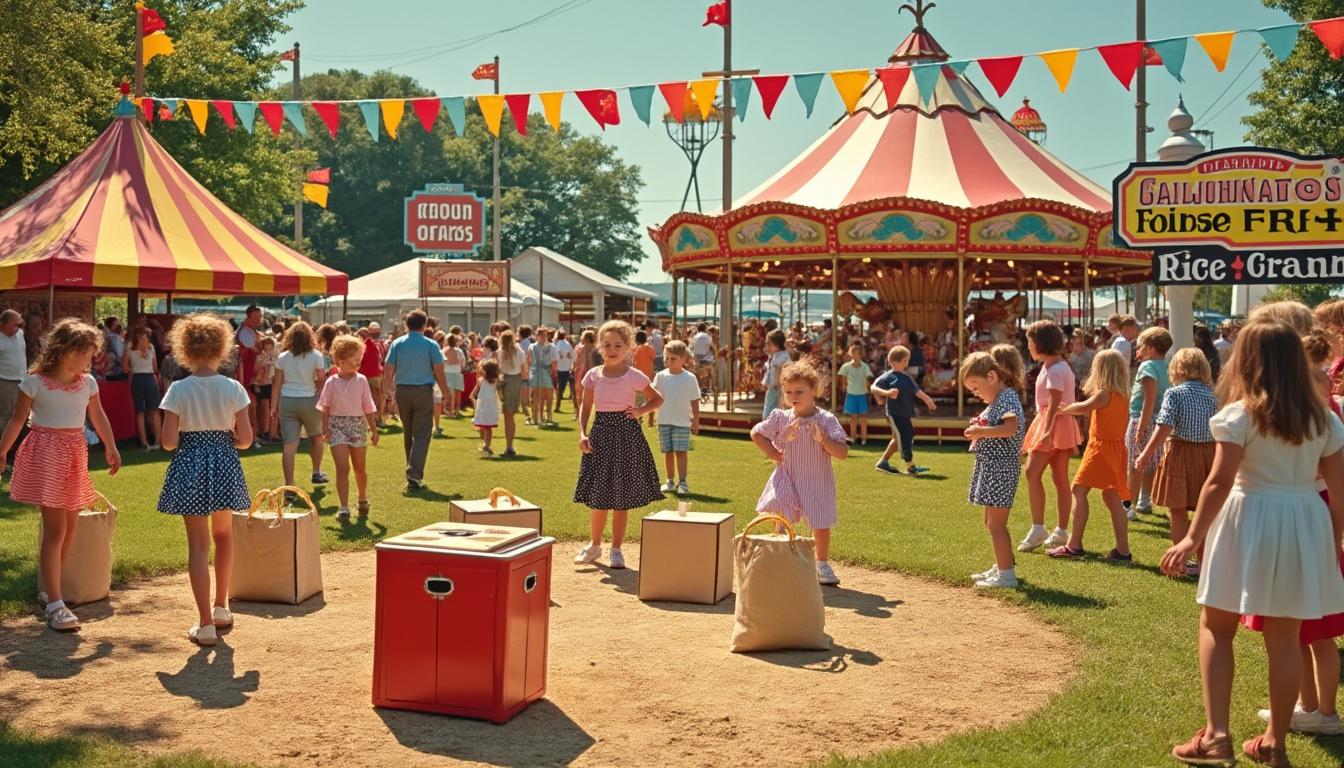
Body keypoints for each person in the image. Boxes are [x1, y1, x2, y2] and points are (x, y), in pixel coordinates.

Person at [1162, 320, 1344, 768]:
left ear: (1247, 360)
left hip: (1247, 517)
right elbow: (1340, 494)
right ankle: (1275, 744)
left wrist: (1190, 537)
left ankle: (1217, 736)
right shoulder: (1325, 418)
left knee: (1216, 627)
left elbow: (1218, 483)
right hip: (1304, 518)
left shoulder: (1239, 415)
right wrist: (1333, 545)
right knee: (1285, 640)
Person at [0, 319, 120, 632]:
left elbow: (99, 416)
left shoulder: (88, 383)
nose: (90, 361)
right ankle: (55, 602)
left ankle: (51, 591)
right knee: (56, 530)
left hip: (74, 456)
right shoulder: (35, 382)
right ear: (66, 351)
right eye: (87, 354)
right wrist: (2, 451)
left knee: (69, 527)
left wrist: (110, 445)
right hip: (47, 456)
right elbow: (17, 420)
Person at [153, 314, 251, 647]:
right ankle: (221, 607)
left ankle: (205, 623)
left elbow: (168, 443)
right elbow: (247, 439)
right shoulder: (233, 387)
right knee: (223, 536)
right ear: (222, 347)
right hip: (224, 462)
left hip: (190, 464)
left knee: (198, 545)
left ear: (184, 349)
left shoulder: (178, 389)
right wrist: (224, 440)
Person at [573, 320, 665, 570]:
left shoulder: (634, 375)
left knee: (620, 498)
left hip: (627, 435)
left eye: (617, 345)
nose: (612, 349)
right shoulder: (593, 375)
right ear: (599, 348)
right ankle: (594, 546)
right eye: (606, 345)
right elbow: (586, 407)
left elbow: (657, 399)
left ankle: (616, 550)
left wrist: (640, 411)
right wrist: (582, 433)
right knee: (598, 497)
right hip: (600, 435)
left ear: (628, 347)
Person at [750, 360, 850, 585]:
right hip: (788, 477)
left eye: (800, 391)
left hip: (816, 480)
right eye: (788, 392)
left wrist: (823, 440)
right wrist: (774, 454)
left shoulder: (825, 420)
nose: (793, 396)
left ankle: (822, 564)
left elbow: (842, 452)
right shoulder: (781, 417)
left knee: (820, 522)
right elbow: (756, 433)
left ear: (814, 391)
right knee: (781, 514)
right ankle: (780, 556)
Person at [1135, 348, 1218, 577]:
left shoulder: (1175, 394)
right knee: (1205, 511)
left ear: (1177, 368)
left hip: (1180, 452)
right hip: (1209, 455)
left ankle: (1179, 563)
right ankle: (1203, 564)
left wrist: (1146, 453)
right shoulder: (1214, 395)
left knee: (1178, 509)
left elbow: (1164, 426)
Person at [1048, 349, 1132, 560]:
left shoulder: (1104, 393)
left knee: (1078, 489)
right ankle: (1123, 550)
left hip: (1101, 448)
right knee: (1112, 496)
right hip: (1116, 449)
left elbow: (1085, 407)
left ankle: (1074, 545)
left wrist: (1063, 409)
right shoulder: (1123, 395)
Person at [963, 346, 1027, 589]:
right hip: (993, 468)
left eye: (976, 387)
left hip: (1001, 468)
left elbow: (1010, 428)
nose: (976, 394)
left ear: (991, 377)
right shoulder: (1001, 398)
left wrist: (981, 431)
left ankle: (1006, 575)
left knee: (996, 524)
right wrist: (980, 425)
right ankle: (1002, 565)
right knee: (991, 523)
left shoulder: (1007, 398)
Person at [1017, 321, 1082, 552]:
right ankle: (1061, 530)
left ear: (1040, 343)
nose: (1029, 346)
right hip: (1061, 423)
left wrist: (1045, 432)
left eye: (1030, 342)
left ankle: (1038, 528)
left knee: (1032, 472)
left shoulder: (1054, 369)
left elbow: (1054, 402)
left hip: (1052, 422)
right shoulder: (1056, 366)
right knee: (1059, 477)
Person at [382, 310, 449, 491]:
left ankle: (412, 471)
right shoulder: (431, 344)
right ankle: (414, 473)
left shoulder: (397, 343)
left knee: (408, 432)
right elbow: (439, 371)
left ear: (406, 325)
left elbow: (388, 370)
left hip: (403, 391)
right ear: (425, 325)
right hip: (423, 391)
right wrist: (446, 393)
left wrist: (385, 392)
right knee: (421, 434)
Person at [318, 335, 379, 522]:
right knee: (342, 467)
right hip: (337, 426)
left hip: (357, 425)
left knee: (359, 468)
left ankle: (362, 498)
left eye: (359, 362)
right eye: (354, 362)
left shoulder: (361, 381)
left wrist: (374, 430)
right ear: (340, 361)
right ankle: (344, 507)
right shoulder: (331, 382)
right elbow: (325, 407)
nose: (357, 366)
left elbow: (368, 407)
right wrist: (325, 428)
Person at [271, 322, 329, 492]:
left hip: (287, 401)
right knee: (317, 438)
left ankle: (289, 483)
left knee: (289, 444)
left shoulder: (283, 357)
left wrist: (273, 407)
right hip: (309, 399)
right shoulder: (316, 355)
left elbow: (277, 384)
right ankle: (316, 472)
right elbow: (321, 380)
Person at [1126, 327, 1173, 518]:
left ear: (1151, 347)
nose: (1137, 350)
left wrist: (1141, 426)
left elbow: (1149, 399)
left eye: (1140, 346)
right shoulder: (1167, 365)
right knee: (1149, 463)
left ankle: (1128, 505)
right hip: (1158, 420)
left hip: (1142, 418)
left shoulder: (1147, 367)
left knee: (1134, 464)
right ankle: (1144, 500)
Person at [871, 345, 937, 476]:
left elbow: (917, 391)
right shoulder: (888, 377)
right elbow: (873, 388)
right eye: (905, 361)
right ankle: (910, 465)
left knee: (900, 438)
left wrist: (928, 400)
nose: (907, 363)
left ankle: (883, 462)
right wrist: (887, 393)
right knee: (906, 435)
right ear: (894, 362)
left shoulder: (906, 377)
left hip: (905, 412)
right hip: (895, 413)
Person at [652, 340, 701, 495]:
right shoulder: (660, 376)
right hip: (664, 421)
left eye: (673, 359)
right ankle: (670, 481)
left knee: (681, 452)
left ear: (683, 359)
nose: (668, 362)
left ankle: (683, 482)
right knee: (667, 452)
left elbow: (694, 400)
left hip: (682, 422)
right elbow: (654, 397)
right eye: (666, 358)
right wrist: (651, 416)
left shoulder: (690, 378)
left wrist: (695, 419)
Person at [123, 326, 163, 450]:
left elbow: (155, 367)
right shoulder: (130, 348)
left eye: (146, 336)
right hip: (138, 378)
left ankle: (158, 440)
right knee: (140, 411)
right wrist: (134, 371)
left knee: (155, 410)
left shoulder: (151, 347)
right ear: (137, 337)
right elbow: (124, 367)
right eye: (142, 336)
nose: (144, 338)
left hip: (150, 378)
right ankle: (144, 442)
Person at [0, 310, 26, 460]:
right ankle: (5, 453)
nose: (17, 327)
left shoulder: (20, 334)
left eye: (19, 323)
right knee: (7, 416)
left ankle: (19, 450)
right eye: (14, 324)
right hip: (6, 383)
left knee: (22, 415)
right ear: (4, 324)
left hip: (23, 381)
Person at [836, 344, 872, 445]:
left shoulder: (864, 366)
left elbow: (868, 377)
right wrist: (844, 385)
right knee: (853, 418)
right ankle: (853, 438)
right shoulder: (846, 366)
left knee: (863, 418)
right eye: (855, 353)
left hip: (862, 394)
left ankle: (864, 439)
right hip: (851, 394)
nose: (858, 355)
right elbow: (841, 375)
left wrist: (869, 388)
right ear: (852, 354)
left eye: (859, 354)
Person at [237, 305, 263, 438]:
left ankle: (254, 434)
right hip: (244, 375)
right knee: (250, 403)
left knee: (253, 403)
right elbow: (254, 350)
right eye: (256, 317)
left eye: (260, 317)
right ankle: (250, 435)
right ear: (248, 317)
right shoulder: (245, 332)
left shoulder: (251, 331)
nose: (258, 320)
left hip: (251, 375)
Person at [528, 327, 559, 427]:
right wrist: (554, 373)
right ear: (537, 336)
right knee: (541, 396)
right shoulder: (533, 346)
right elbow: (528, 360)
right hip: (540, 373)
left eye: (545, 335)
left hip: (540, 372)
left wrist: (554, 372)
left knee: (544, 396)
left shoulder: (549, 347)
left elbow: (554, 362)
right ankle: (539, 417)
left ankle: (541, 417)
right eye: (542, 335)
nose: (544, 337)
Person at [472, 360, 501, 456]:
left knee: (485, 427)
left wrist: (472, 396)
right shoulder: (493, 382)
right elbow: (474, 392)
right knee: (485, 427)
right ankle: (486, 445)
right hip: (489, 406)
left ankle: (486, 446)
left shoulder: (486, 381)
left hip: (484, 406)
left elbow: (474, 392)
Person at [359, 322, 385, 428]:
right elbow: (381, 359)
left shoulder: (365, 345)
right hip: (375, 374)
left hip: (365, 374)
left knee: (367, 398)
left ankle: (372, 419)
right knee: (376, 398)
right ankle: (377, 419)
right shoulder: (377, 344)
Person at [252, 336, 277, 444]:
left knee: (270, 409)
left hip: (270, 383)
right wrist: (256, 384)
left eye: (270, 343)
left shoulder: (273, 356)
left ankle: (269, 432)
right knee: (264, 409)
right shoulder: (259, 357)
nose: (269, 345)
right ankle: (264, 432)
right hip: (261, 384)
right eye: (267, 343)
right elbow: (257, 370)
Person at [762, 329, 790, 417]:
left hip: (779, 387)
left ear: (777, 344)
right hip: (773, 387)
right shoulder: (774, 356)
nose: (767, 346)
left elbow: (783, 370)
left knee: (777, 409)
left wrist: (780, 383)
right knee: (769, 408)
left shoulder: (782, 356)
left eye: (769, 344)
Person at [632, 330, 656, 428]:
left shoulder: (635, 349)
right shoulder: (650, 348)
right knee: (651, 399)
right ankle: (650, 421)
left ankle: (637, 418)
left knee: (637, 400)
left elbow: (634, 360)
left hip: (637, 377)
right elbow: (653, 357)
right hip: (648, 377)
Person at [572, 329, 596, 420]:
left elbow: (575, 360)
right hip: (592, 372)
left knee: (579, 394)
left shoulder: (579, 347)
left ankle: (579, 413)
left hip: (580, 372)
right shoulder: (596, 347)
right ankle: (589, 414)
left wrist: (573, 368)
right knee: (592, 395)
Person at [442, 334, 465, 419]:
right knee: (457, 392)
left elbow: (441, 362)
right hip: (456, 372)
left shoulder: (443, 351)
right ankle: (457, 410)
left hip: (446, 372)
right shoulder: (459, 351)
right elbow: (463, 363)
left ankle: (447, 409)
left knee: (447, 392)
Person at [553, 329, 574, 414]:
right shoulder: (568, 344)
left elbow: (556, 356)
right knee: (570, 389)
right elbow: (571, 355)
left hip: (559, 369)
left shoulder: (557, 344)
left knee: (559, 390)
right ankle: (576, 407)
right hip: (567, 368)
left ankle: (557, 407)